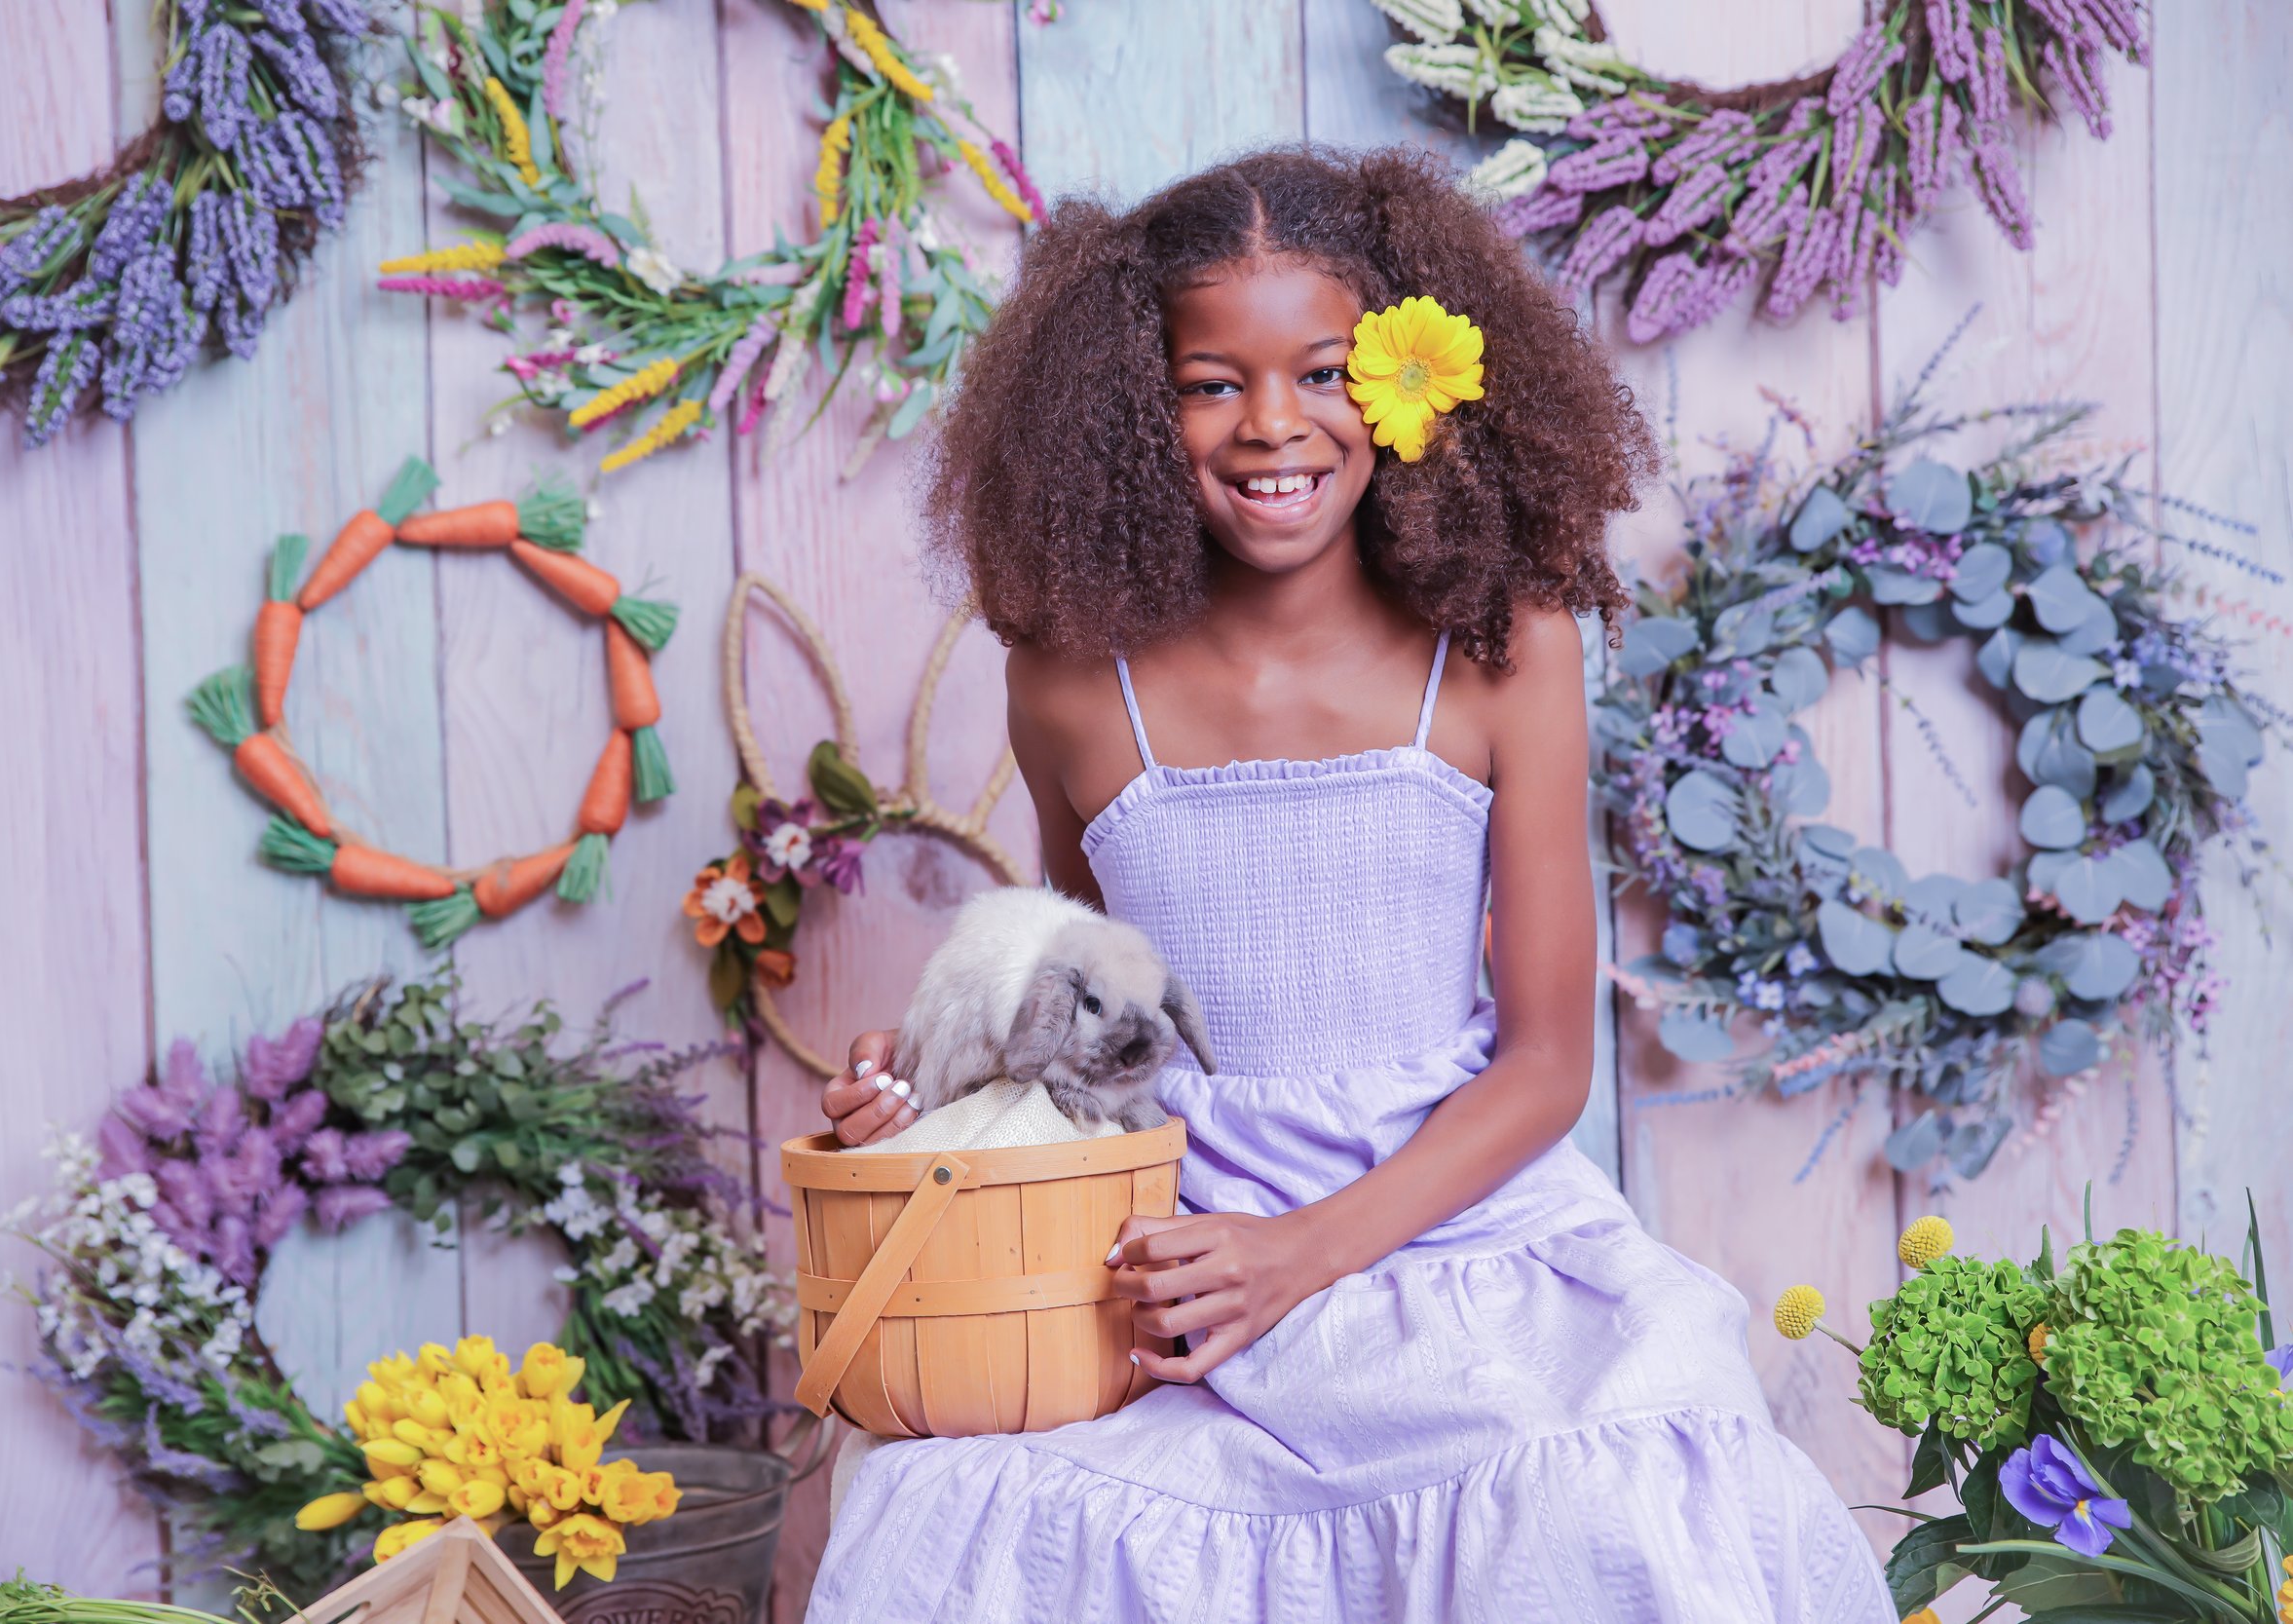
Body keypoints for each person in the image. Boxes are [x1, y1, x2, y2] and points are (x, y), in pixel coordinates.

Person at [805, 146, 1891, 1622]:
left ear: (1408, 379)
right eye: (1207, 383)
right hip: (1166, 1258)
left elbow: (1549, 1063)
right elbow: (1096, 1021)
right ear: (1134, 406)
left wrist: (1298, 1258)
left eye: (1324, 371)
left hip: (1452, 1232)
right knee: (949, 1510)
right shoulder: (1067, 679)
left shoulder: (1509, 647)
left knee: (1606, 1479)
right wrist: (922, 1082)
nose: (1271, 427)